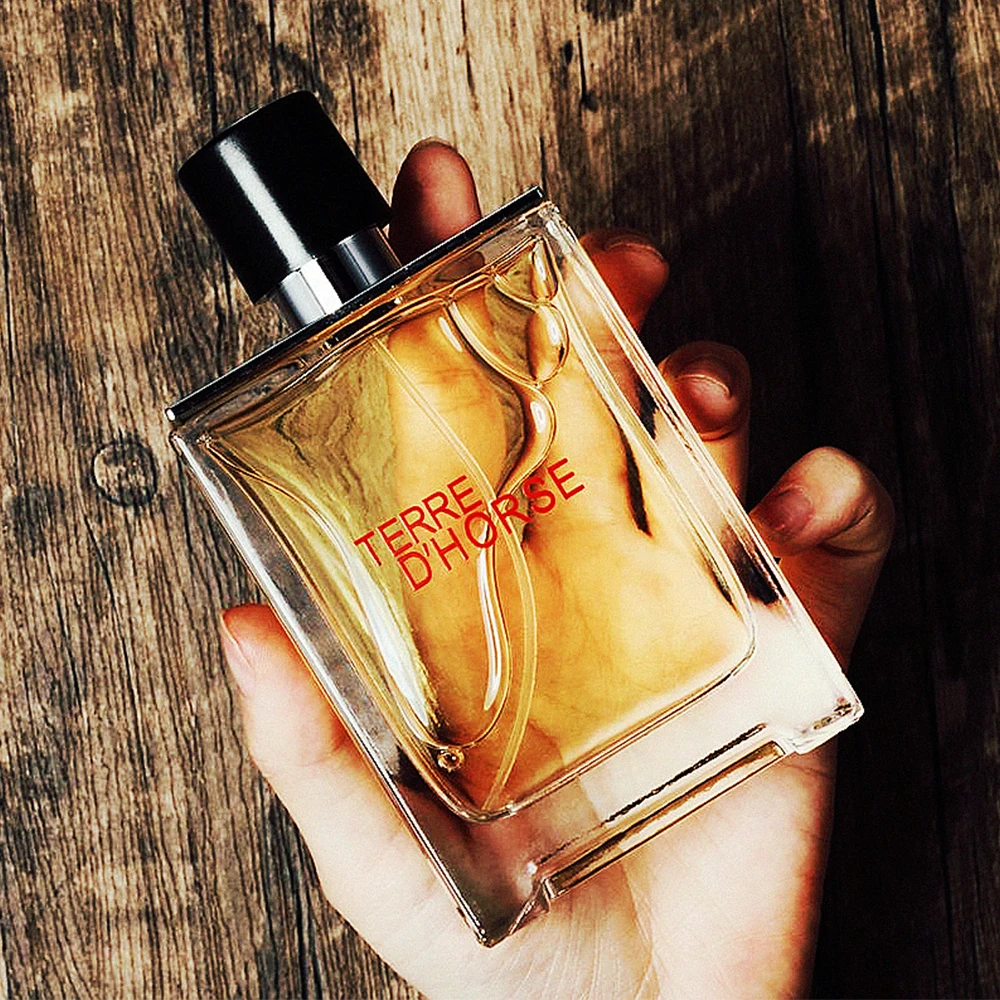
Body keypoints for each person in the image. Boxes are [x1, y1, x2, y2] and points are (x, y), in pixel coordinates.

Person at [217, 140, 894, 999]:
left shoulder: (506, 272)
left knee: (633, 337)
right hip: (554, 876)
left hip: (738, 735)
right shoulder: (235, 429)